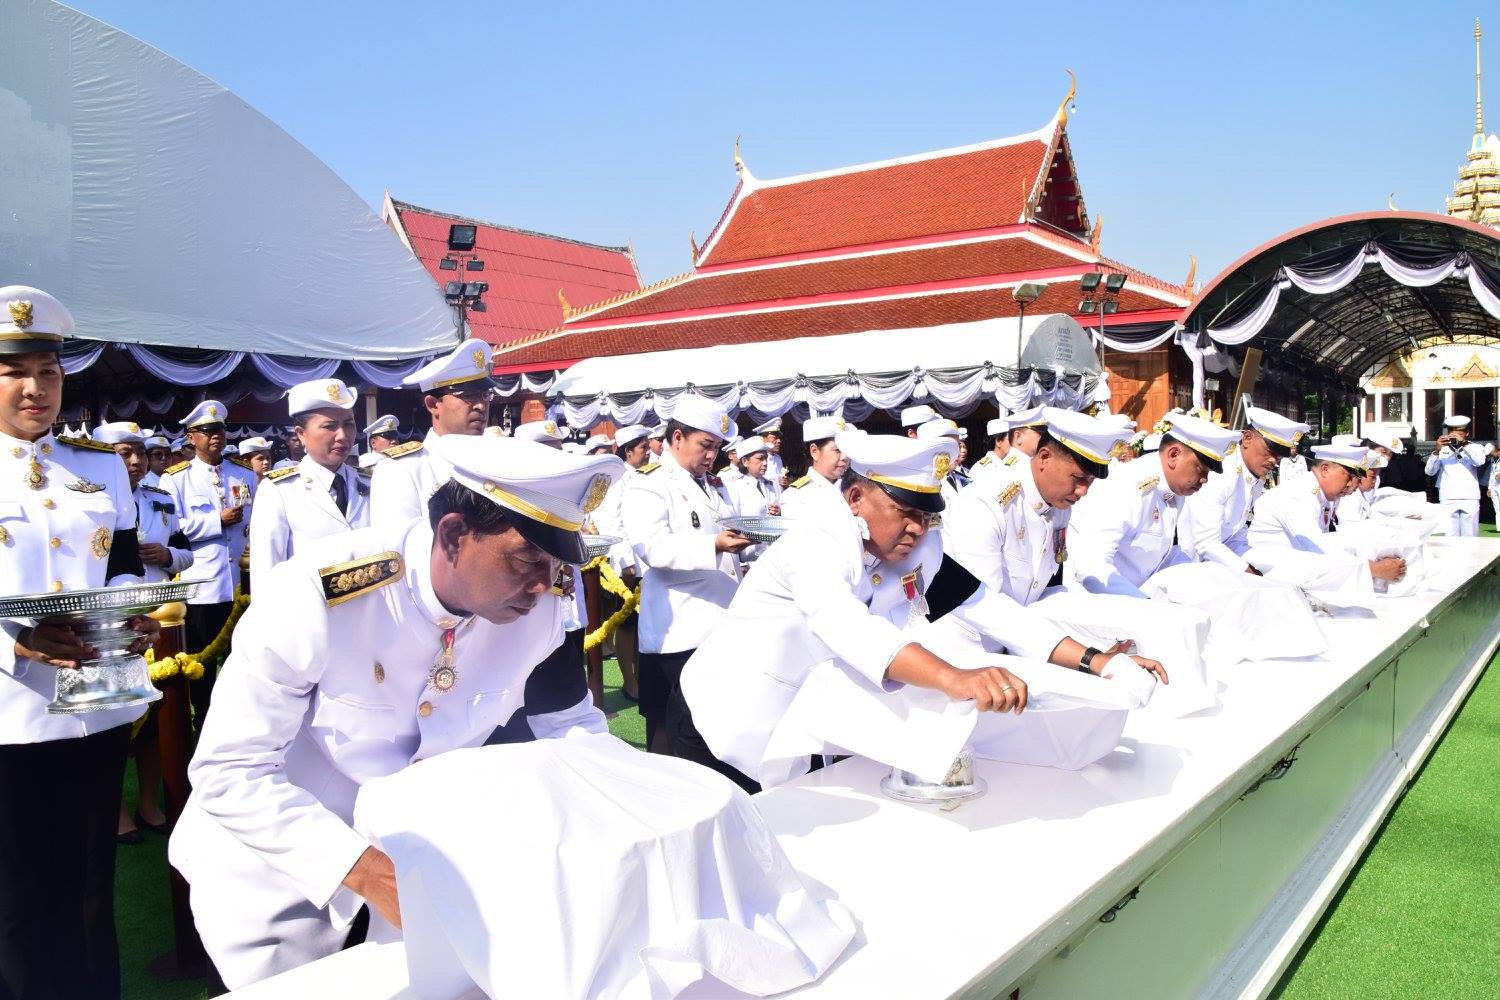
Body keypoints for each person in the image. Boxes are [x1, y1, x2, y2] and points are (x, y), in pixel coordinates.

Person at [168, 436, 622, 989]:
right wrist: (371, 873)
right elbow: (229, 771)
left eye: (557, 563)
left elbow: (573, 731)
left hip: (424, 874)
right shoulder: (319, 594)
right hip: (278, 876)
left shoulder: (540, 610)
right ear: (453, 535)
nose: (544, 584)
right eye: (527, 559)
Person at [679, 432, 1032, 791]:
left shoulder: (917, 547)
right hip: (723, 723)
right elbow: (845, 624)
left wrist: (1071, 655)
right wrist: (952, 677)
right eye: (905, 512)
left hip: (803, 728)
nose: (917, 528)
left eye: (926, 515)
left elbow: (980, 603)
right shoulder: (816, 541)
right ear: (856, 499)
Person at [0, 286, 153, 1000]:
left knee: (93, 883)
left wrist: (133, 615)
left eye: (49, 372)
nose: (35, 389)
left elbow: (122, 567)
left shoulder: (99, 467)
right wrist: (17, 642)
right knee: (17, 896)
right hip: (10, 717)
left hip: (96, 708)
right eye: (14, 372)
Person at [621, 396, 750, 753]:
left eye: (717, 448)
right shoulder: (650, 483)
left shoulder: (713, 484)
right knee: (670, 733)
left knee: (712, 734)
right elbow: (653, 547)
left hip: (721, 624)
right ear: (677, 438)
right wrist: (715, 545)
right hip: (678, 630)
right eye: (705, 445)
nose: (711, 456)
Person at [96, 421, 194, 847]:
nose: (135, 461)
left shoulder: (160, 499)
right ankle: (117, 811)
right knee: (116, 720)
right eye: (124, 453)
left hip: (159, 622)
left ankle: (150, 803)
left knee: (156, 721)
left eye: (139, 452)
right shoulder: (91, 501)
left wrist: (167, 554)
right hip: (112, 622)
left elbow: (186, 552)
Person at [1066, 411, 1239, 597]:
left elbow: (1161, 557)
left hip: (1137, 597)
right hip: (1097, 601)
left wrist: (1206, 581)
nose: (1204, 479)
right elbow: (1090, 567)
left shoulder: (1171, 490)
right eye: (1200, 469)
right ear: (1173, 455)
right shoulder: (1127, 486)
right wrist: (1146, 604)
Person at [163, 398, 257, 729]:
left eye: (219, 430)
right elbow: (173, 529)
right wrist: (216, 521)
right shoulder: (176, 479)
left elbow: (257, 520)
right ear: (191, 437)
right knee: (202, 662)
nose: (215, 436)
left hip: (240, 584)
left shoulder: (243, 473)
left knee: (243, 658)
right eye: (206, 431)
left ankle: (243, 720)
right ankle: (204, 721)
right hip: (203, 585)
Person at [248, 379, 369, 583]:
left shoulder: (370, 482)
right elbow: (266, 574)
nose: (342, 435)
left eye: (349, 424)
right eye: (330, 426)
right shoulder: (279, 490)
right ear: (301, 434)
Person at [369, 338, 494, 529]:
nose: (481, 406)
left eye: (485, 395)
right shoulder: (401, 469)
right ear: (433, 405)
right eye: (468, 396)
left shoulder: (495, 460)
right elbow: (398, 540)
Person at [1248, 444, 1407, 594]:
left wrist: (1374, 558)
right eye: (1349, 477)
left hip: (1289, 575)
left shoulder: (1319, 495)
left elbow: (1328, 544)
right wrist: (1373, 569)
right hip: (1268, 579)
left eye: (1356, 478)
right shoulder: (1299, 496)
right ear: (1325, 469)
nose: (1351, 485)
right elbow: (1317, 552)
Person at [1178, 405, 1310, 573]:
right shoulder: (1222, 472)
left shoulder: (1252, 476)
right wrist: (1246, 569)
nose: (1274, 461)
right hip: (1190, 566)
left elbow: (1235, 537)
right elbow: (1206, 543)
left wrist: (1260, 565)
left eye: (1278, 456)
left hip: (1217, 563)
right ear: (1247, 438)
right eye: (1270, 451)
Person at [588, 423, 652, 701]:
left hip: (649, 562)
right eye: (643, 448)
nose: (648, 453)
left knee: (643, 625)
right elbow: (614, 522)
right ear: (628, 452)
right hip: (631, 565)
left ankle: (641, 676)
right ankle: (629, 681)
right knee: (628, 626)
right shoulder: (618, 481)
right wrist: (627, 563)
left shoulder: (646, 477)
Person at [779, 415, 852, 520]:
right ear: (814, 451)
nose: (845, 457)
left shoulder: (851, 489)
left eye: (846, 450)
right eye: (837, 450)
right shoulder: (795, 496)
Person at [1425, 415, 1486, 537]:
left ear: (1467, 433)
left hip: (1469, 497)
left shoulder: (1475, 447)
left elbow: (1479, 462)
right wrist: (1436, 451)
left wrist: (1464, 444)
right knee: (1450, 537)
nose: (1456, 436)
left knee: (1470, 537)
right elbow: (1430, 472)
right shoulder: (1443, 449)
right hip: (1448, 497)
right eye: (1453, 433)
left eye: (1460, 433)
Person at [916, 418, 969, 506]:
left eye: (957, 447)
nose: (957, 452)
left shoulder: (955, 476)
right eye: (950, 447)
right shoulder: (922, 481)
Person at [727, 435, 781, 517]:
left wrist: (778, 511)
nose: (765, 463)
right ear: (745, 461)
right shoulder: (734, 486)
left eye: (766, 458)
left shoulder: (770, 484)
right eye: (760, 458)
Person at [967, 416, 1017, 487]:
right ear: (998, 441)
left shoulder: (1011, 462)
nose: (1014, 442)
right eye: (1010, 439)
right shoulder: (982, 469)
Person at [752, 416, 787, 487]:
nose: (779, 441)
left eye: (779, 438)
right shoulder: (756, 460)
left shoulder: (778, 458)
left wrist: (785, 482)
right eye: (774, 437)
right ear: (763, 439)